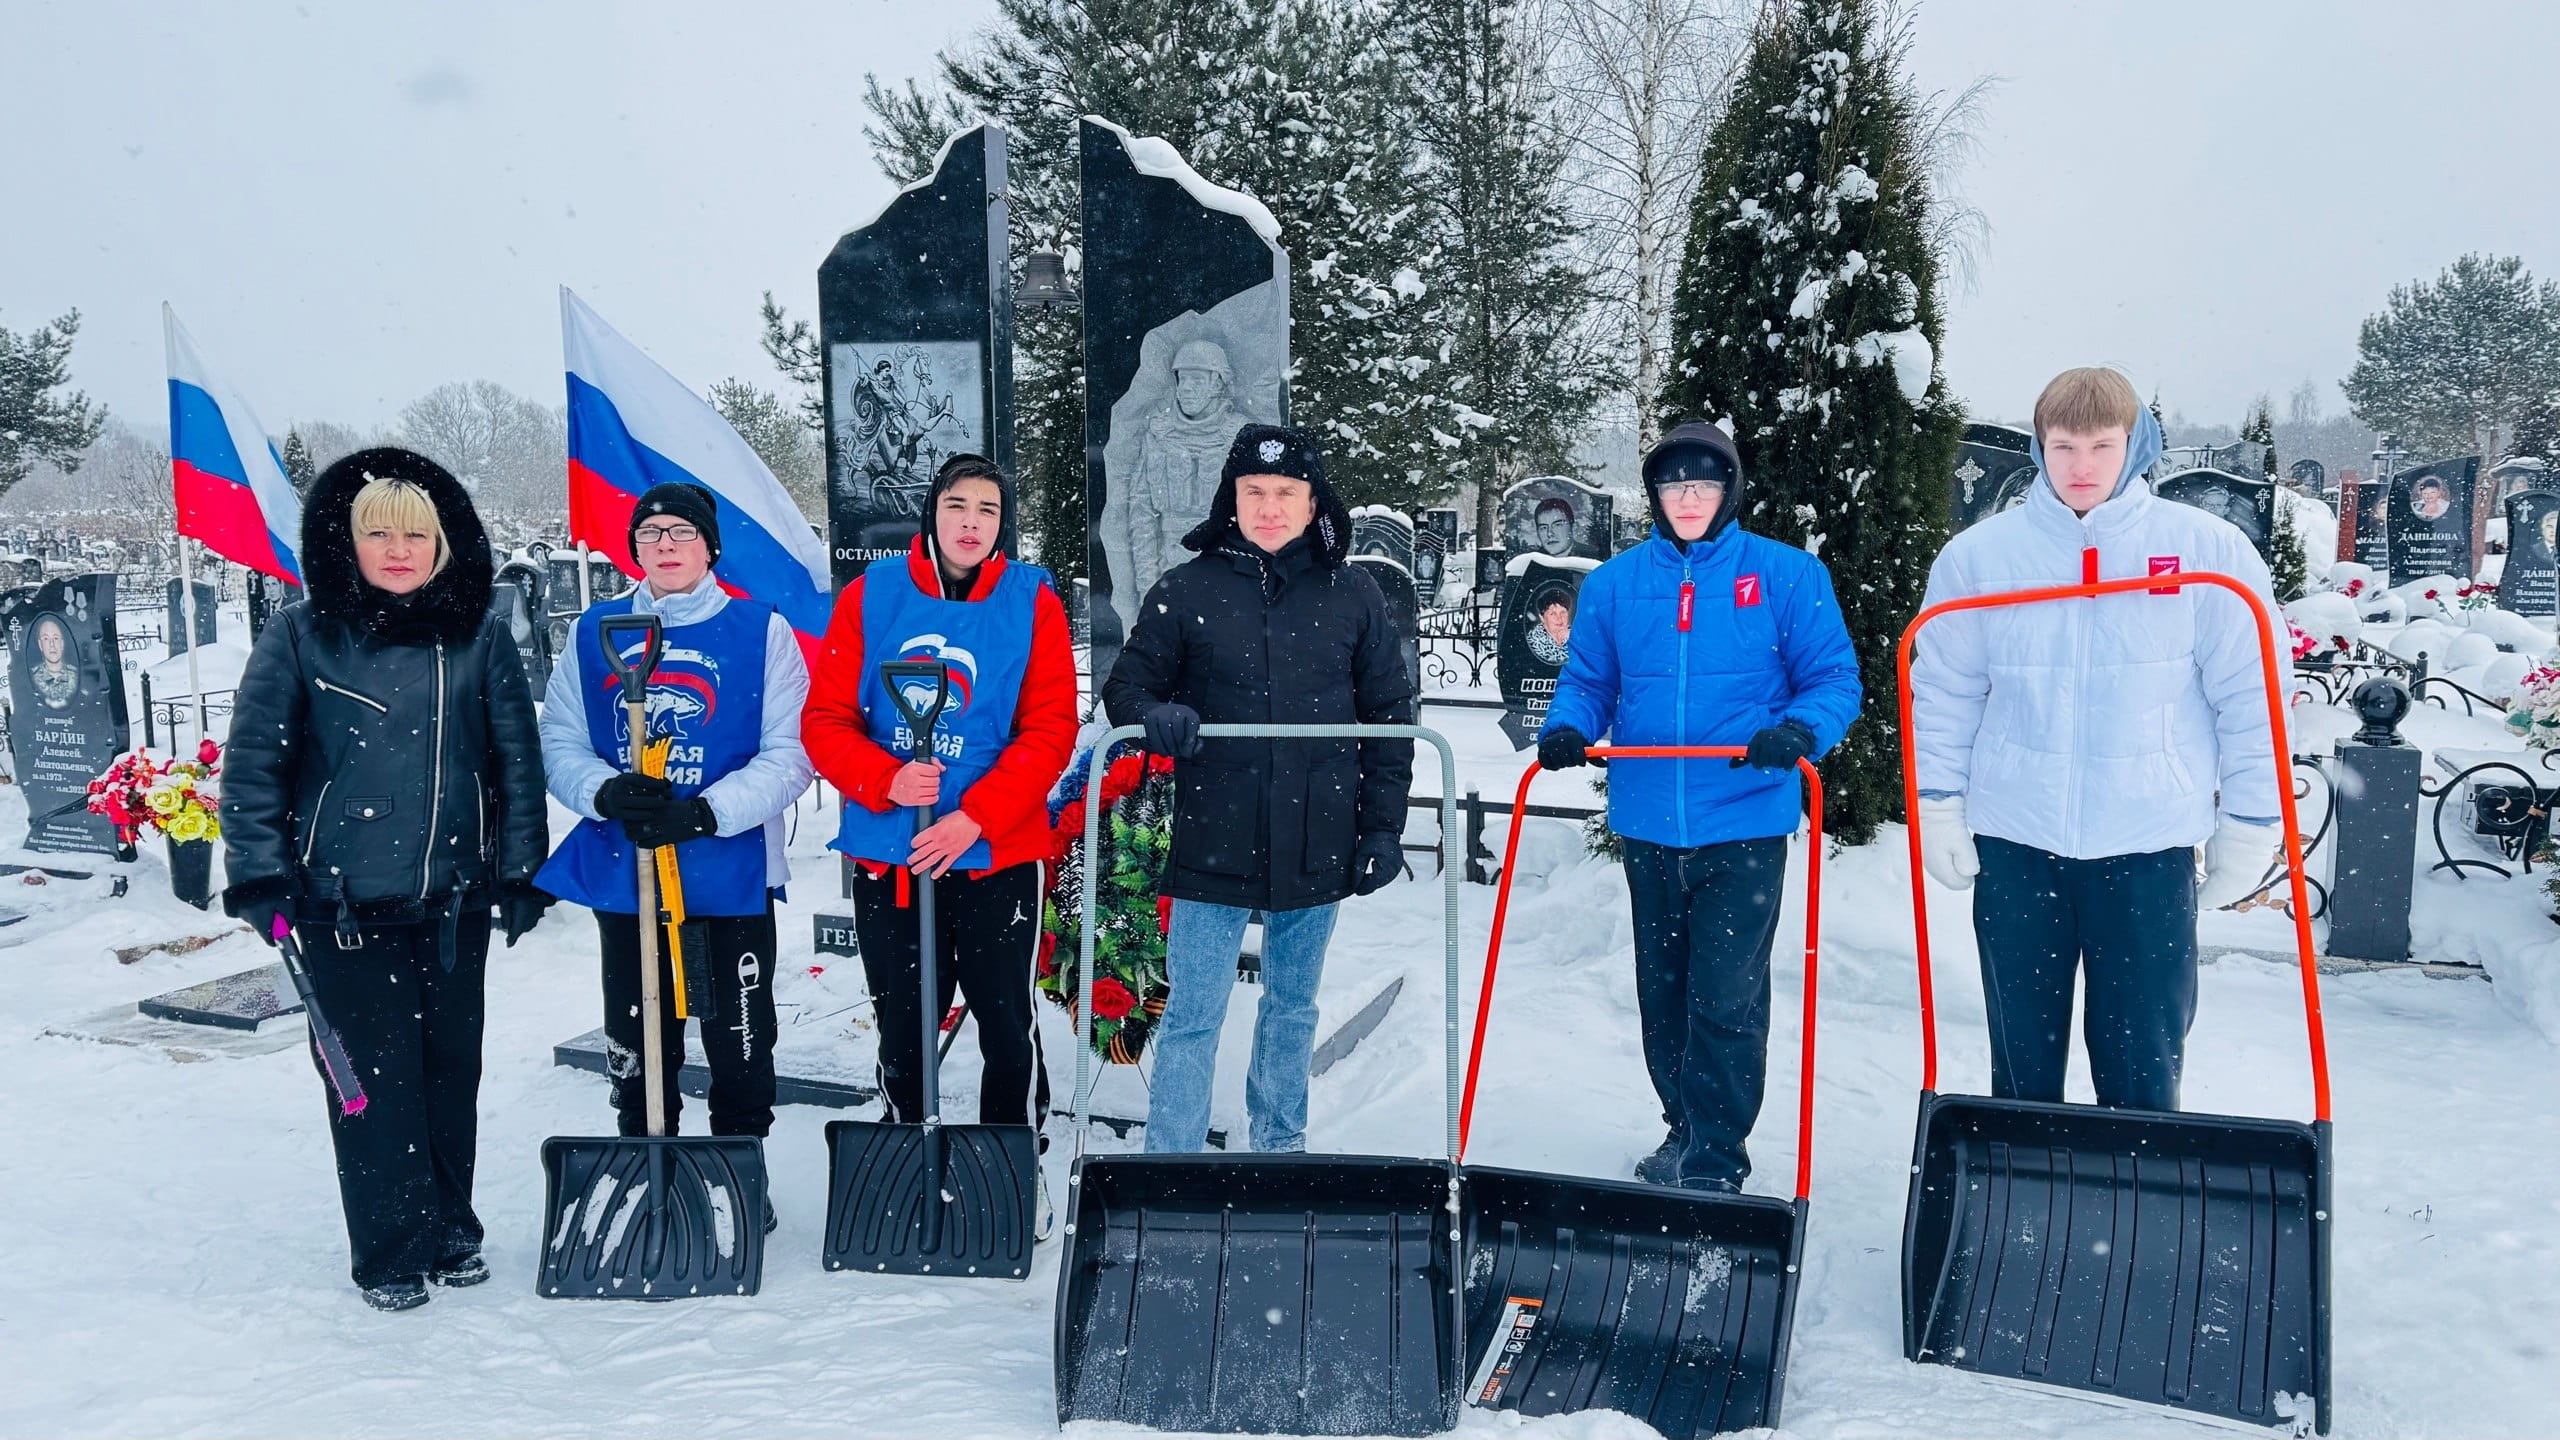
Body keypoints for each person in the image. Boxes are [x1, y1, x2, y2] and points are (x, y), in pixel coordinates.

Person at [220, 448, 551, 1311]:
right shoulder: (302, 634)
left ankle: (450, 1228)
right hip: (341, 904)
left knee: (450, 1071)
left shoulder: (478, 634)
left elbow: (515, 759)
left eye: (416, 535)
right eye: (379, 534)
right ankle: (391, 1249)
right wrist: (260, 875)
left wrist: (521, 868)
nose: (398, 551)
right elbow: (255, 765)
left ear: (442, 545)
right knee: (369, 1082)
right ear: (349, 542)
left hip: (452, 901)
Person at [1911, 366, 2287, 1115]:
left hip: (2146, 843)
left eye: (2101, 447)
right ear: (2039, 448)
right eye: (2064, 447)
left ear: (2134, 446)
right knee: (2021, 1052)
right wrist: (1937, 801)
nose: (2081, 467)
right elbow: (1946, 692)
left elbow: (2254, 698)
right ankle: (2024, 1174)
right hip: (2018, 841)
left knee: (2143, 1054)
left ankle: (2137, 1174)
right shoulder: (1982, 559)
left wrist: (2252, 821)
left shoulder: (2206, 551)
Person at [1536, 421, 1860, 1193]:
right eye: (1673, 485)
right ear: (1654, 494)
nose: (1688, 498)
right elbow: (1590, 680)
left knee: (1725, 997)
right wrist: (1568, 725)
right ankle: (1681, 1128)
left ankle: (1716, 1158)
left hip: (1743, 820)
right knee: (1664, 995)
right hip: (1649, 823)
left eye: (1704, 483)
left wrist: (1799, 730)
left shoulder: (1786, 576)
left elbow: (1833, 678)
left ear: (1731, 489)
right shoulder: (1615, 585)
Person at [1103, 423, 1415, 1154]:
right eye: (1254, 492)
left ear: (1313, 503)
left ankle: (1280, 1149)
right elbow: (1127, 687)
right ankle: (1172, 1162)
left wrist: (1381, 827)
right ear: (1232, 499)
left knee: (1292, 1008)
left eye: (1285, 492)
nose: (1269, 507)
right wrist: (1154, 715)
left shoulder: (1353, 593)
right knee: (1192, 1014)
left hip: (1317, 837)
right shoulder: (1186, 589)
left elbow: (1389, 715)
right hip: (1212, 838)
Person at [535, 481, 812, 1232]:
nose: (665, 544)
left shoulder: (761, 631)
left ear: (710, 547)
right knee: (636, 1025)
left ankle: (736, 1162)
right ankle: (645, 1156)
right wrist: (603, 792)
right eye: (650, 531)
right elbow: (560, 738)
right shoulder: (596, 630)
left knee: (737, 1031)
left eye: (681, 531)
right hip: (628, 870)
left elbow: (791, 752)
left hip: (727, 870)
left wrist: (704, 811)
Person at [801, 454, 1079, 1160]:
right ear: (933, 512)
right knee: (903, 1019)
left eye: (988, 510)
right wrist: (884, 779)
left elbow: (1049, 729)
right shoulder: (872, 595)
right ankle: (904, 1143)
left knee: (1005, 1019)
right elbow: (826, 719)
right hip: (894, 852)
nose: (971, 523)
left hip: (995, 853)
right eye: (958, 505)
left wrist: (976, 816)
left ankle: (1007, 1152)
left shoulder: (1031, 601)